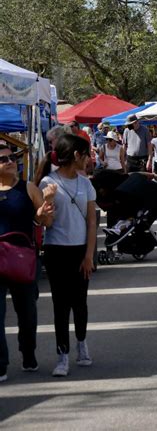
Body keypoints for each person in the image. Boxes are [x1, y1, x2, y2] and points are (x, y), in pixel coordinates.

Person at [37, 134, 97, 377]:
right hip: (56, 251)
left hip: (80, 250)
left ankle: (82, 345)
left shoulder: (86, 184)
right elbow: (46, 223)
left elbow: (92, 222)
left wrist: (89, 255)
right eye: (86, 154)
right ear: (76, 155)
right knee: (60, 305)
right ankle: (62, 355)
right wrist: (47, 203)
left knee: (79, 302)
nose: (89, 158)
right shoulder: (48, 183)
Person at [0, 143, 56, 382]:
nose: (11, 161)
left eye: (12, 157)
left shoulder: (28, 188)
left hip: (23, 259)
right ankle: (1, 363)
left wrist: (45, 211)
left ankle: (28, 353)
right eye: (4, 159)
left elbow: (46, 222)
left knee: (27, 313)